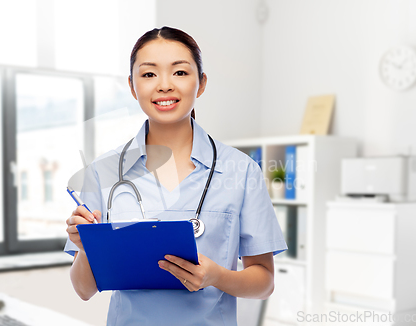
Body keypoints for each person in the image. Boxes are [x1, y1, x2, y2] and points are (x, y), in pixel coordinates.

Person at [64, 26, 287, 326]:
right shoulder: (103, 172)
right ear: (132, 86)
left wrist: (217, 276)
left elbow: (264, 282)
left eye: (180, 73)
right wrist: (85, 246)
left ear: (202, 82)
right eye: (149, 74)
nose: (165, 85)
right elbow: (83, 289)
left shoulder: (241, 170)